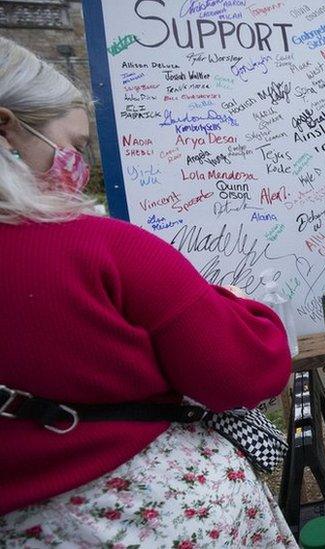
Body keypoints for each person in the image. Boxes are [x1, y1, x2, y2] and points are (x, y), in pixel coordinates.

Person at [0, 37, 296, 546]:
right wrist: (234, 304)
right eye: (69, 144)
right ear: (7, 128)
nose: (74, 162)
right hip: (151, 519)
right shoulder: (100, 248)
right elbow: (243, 370)